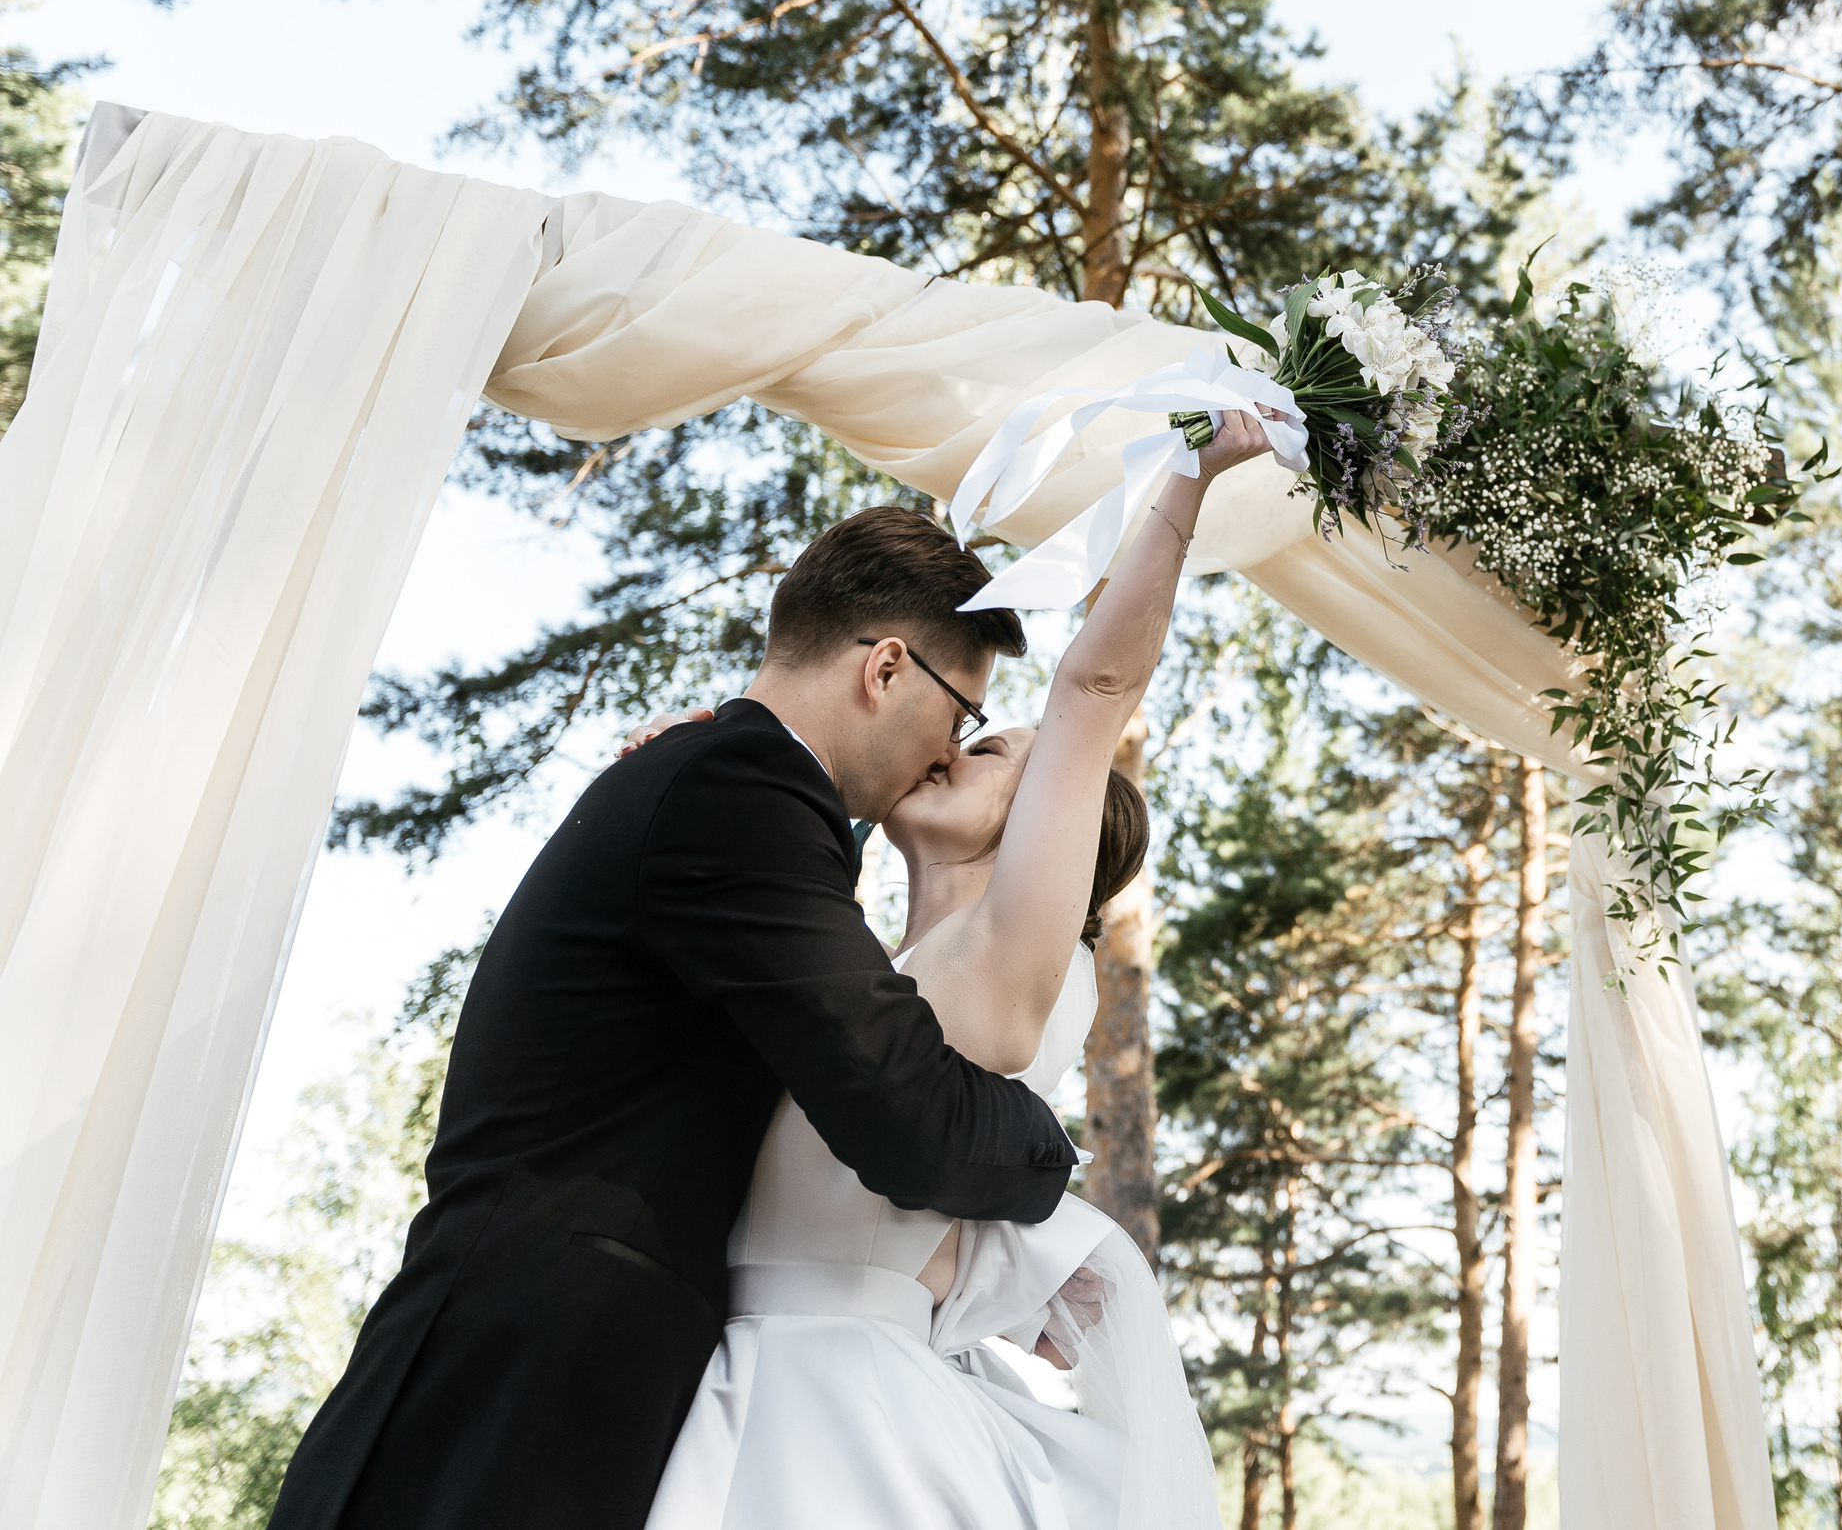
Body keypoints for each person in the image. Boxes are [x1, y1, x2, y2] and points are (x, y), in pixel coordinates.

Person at [268, 506, 1084, 1530]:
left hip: (549, 1366)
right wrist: (1054, 1165)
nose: (943, 754)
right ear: (884, 670)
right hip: (518, 1392)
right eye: (960, 715)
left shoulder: (723, 781)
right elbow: (902, 1110)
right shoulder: (740, 790)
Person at [632, 409, 1275, 1530]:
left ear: (1047, 831)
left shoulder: (1010, 955)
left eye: (982, 749)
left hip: (844, 1423)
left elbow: (1091, 692)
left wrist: (1190, 471)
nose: (940, 746)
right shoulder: (862, 971)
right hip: (725, 1387)